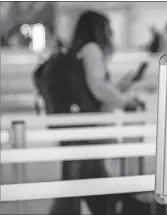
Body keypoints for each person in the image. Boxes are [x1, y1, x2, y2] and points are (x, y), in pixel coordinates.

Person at [49, 10, 138, 215]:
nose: (110, 33)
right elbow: (97, 87)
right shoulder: (91, 50)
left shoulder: (78, 50)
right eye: (108, 28)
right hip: (85, 129)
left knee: (74, 186)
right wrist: (124, 100)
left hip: (73, 126)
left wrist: (118, 91)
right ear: (98, 29)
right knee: (90, 187)